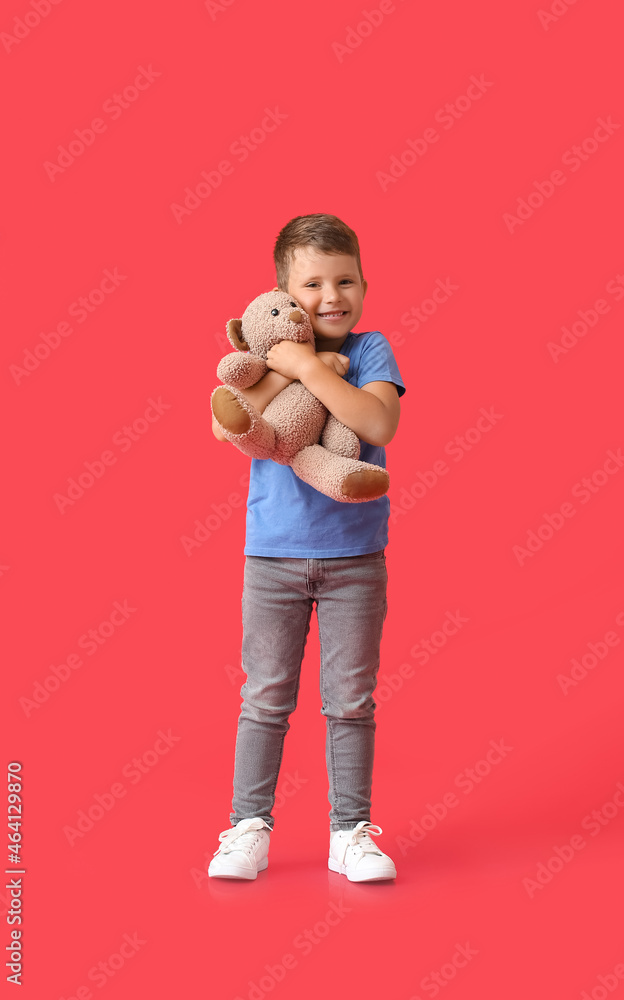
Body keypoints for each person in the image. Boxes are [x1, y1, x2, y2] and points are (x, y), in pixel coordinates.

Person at [208, 213, 406, 882]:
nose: (331, 297)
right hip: (271, 557)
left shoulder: (371, 348)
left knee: (350, 699)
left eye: (344, 279)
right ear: (284, 294)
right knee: (264, 697)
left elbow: (374, 419)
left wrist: (305, 366)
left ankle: (349, 832)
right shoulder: (262, 355)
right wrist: (280, 366)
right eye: (313, 283)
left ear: (364, 284)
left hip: (355, 558)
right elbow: (227, 421)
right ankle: (246, 827)